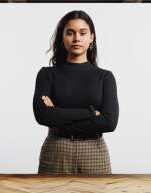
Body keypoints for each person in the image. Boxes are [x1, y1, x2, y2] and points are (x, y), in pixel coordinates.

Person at [32, 10, 119, 175]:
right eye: (70, 33)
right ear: (62, 37)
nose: (77, 38)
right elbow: (43, 115)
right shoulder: (47, 74)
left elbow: (109, 122)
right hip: (56, 149)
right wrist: (91, 113)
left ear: (91, 38)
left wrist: (57, 114)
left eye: (83, 33)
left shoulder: (105, 77)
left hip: (94, 151)